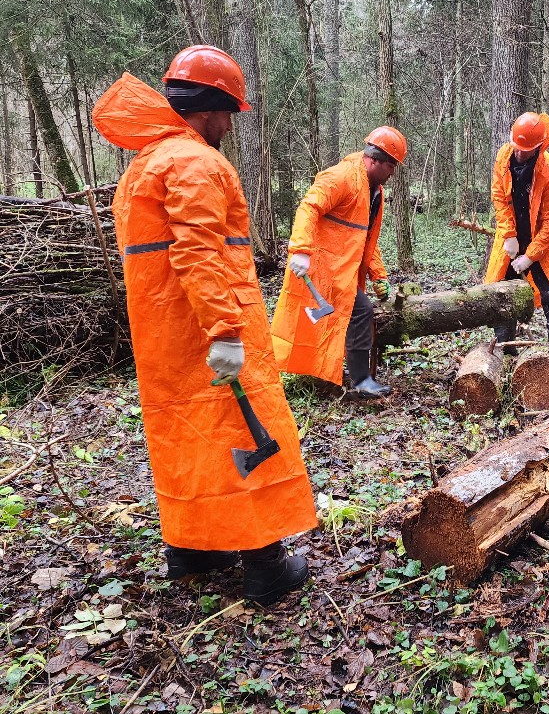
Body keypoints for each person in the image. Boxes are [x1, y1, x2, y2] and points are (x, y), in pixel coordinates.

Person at [93, 45, 318, 605]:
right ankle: (266, 564)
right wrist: (223, 330)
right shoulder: (195, 163)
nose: (230, 125)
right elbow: (198, 253)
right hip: (207, 330)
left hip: (164, 336)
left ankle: (191, 549)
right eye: (229, 113)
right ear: (211, 108)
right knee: (241, 435)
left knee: (184, 439)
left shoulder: (146, 163)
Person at [270, 127, 406, 398]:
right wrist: (300, 250)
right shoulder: (341, 177)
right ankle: (360, 381)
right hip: (321, 268)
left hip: (343, 269)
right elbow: (309, 207)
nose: (393, 173)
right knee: (360, 311)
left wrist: (378, 275)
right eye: (391, 165)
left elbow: (367, 238)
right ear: (375, 160)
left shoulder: (374, 191)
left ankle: (345, 375)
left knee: (351, 314)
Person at [485, 112, 549, 354]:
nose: (519, 153)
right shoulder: (503, 157)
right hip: (513, 235)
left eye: (525, 150)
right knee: (503, 292)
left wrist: (530, 256)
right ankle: (505, 350)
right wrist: (509, 234)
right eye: (516, 147)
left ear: (538, 147)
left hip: (542, 238)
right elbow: (499, 197)